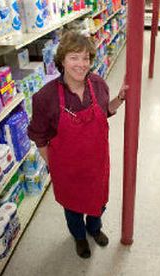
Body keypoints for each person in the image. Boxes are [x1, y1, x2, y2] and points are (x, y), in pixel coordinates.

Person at [27, 31, 127, 259]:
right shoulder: (46, 97)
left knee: (99, 203)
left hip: (97, 164)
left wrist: (120, 99)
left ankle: (94, 228)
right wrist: (54, 165)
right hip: (68, 170)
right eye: (74, 57)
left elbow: (104, 112)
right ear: (62, 60)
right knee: (73, 209)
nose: (81, 64)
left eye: (86, 58)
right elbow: (39, 136)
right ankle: (79, 237)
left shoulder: (98, 85)